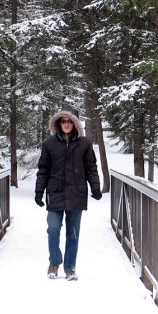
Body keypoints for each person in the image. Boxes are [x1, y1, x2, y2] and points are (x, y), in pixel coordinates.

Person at [34, 108, 102, 280]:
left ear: (75, 123)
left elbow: (91, 168)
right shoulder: (49, 144)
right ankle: (54, 263)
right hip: (55, 192)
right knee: (53, 229)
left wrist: (95, 188)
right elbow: (43, 170)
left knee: (72, 232)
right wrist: (39, 191)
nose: (66, 124)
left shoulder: (85, 144)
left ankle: (70, 267)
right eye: (63, 121)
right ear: (58, 123)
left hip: (76, 193)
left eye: (69, 121)